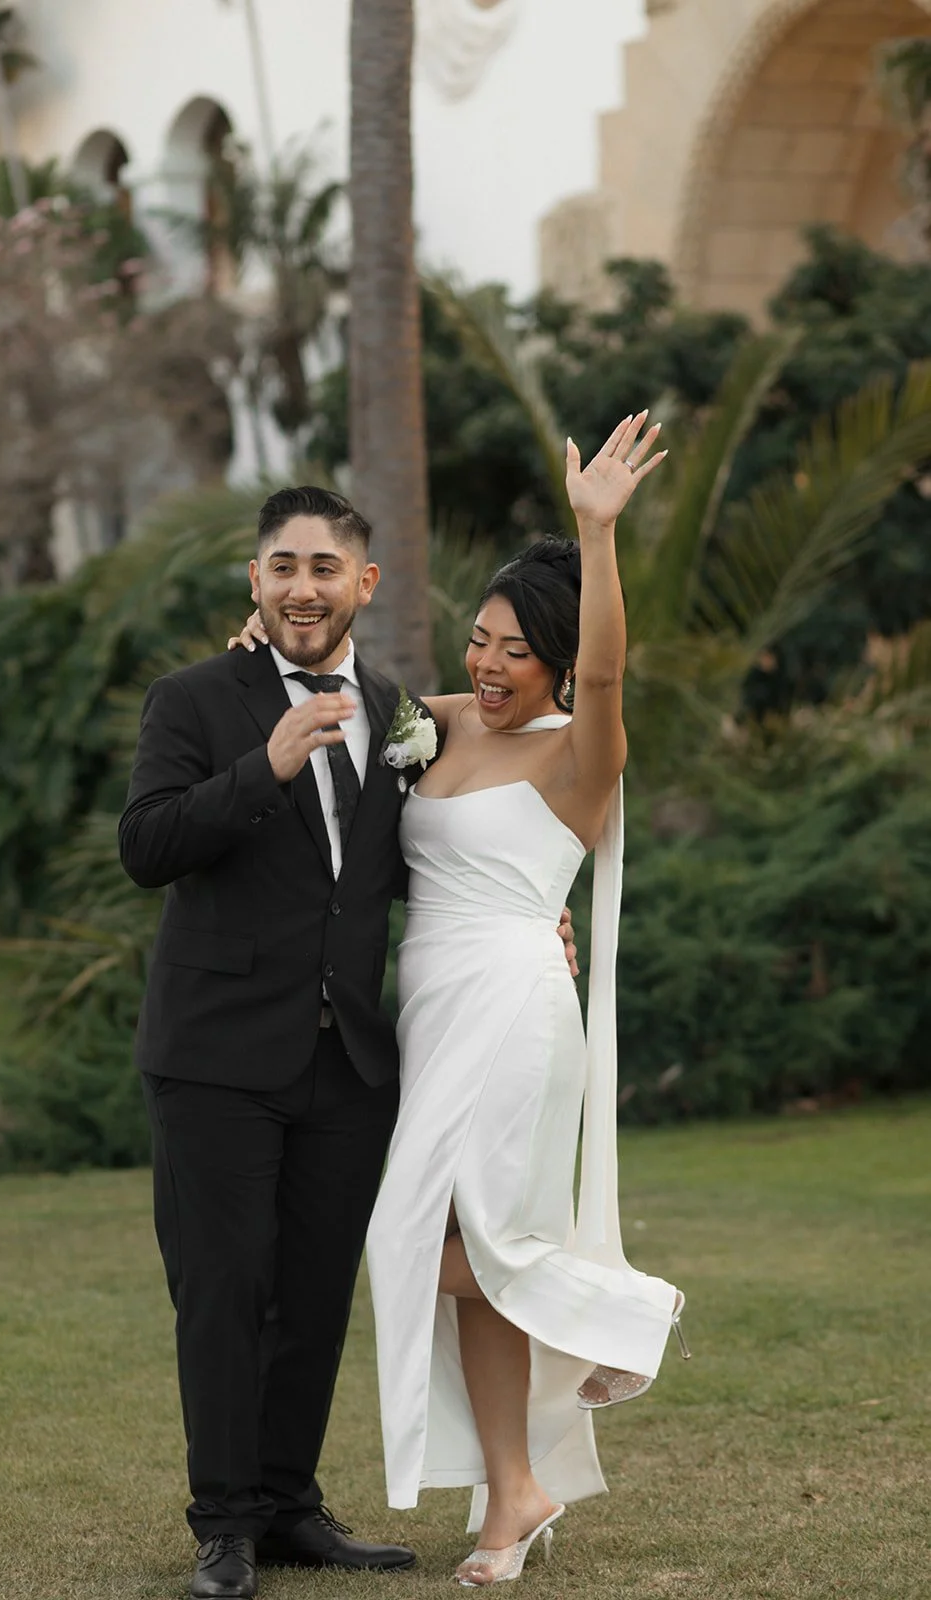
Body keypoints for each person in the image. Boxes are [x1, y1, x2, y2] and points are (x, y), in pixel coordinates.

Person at [119, 485, 577, 1600]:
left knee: (317, 1291)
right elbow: (147, 844)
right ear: (255, 579)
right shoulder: (193, 700)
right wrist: (262, 765)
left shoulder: (398, 714)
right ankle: (225, 1526)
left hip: (347, 1062)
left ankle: (286, 1505)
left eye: (325, 568)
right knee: (224, 1292)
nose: (302, 587)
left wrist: (535, 914)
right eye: (282, 565)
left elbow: (434, 850)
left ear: (362, 584)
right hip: (216, 1054)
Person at [364, 411, 690, 1586]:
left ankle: (617, 1314)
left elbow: (607, 668)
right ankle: (512, 1493)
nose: (486, 666)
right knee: (468, 1250)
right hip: (428, 1009)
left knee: (426, 1238)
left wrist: (593, 535)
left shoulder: (574, 751)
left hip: (509, 1006)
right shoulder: (441, 726)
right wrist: (265, 635)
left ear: (556, 662)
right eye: (477, 638)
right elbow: (351, 706)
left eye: (513, 649)